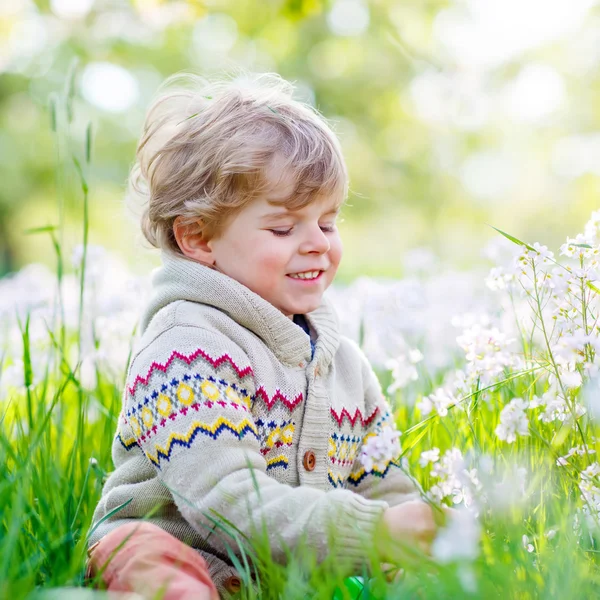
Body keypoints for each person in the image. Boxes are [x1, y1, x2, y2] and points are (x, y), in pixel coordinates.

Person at [87, 71, 438, 599]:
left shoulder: (344, 364)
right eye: (283, 227)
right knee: (145, 557)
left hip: (283, 575)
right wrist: (372, 533)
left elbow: (386, 487)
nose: (317, 243)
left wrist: (424, 537)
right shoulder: (184, 348)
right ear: (198, 237)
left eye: (328, 222)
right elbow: (227, 501)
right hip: (180, 546)